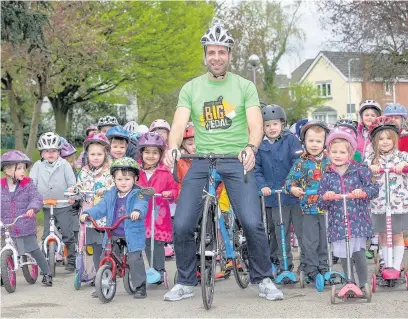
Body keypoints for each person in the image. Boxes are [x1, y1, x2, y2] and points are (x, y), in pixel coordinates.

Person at [163, 23, 283, 302]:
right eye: (211, 52)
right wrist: (172, 147)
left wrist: (251, 148)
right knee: (181, 224)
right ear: (205, 56)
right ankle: (185, 281)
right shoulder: (191, 88)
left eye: (221, 52)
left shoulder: (244, 86)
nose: (216, 57)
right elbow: (179, 123)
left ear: (229, 55)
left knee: (252, 222)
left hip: (236, 159)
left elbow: (255, 124)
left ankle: (263, 277)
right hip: (203, 160)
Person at [317, 127, 379, 293]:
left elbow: (373, 189)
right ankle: (348, 282)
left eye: (342, 152)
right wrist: (326, 196)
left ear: (350, 154)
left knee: (358, 253)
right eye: (334, 151)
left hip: (357, 220)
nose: (337, 155)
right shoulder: (327, 175)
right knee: (343, 255)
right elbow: (320, 201)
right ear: (328, 153)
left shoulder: (360, 170)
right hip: (338, 222)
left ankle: (363, 284)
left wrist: (362, 192)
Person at [80, 157, 150, 299]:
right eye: (119, 179)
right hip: (113, 232)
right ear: (114, 180)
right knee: (105, 256)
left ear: (135, 179)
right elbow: (101, 207)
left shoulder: (139, 193)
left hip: (132, 233)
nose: (123, 183)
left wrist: (137, 212)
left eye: (127, 179)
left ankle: (140, 286)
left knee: (134, 259)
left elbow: (142, 204)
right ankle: (103, 282)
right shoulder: (111, 194)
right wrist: (88, 213)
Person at [255, 104, 304, 274]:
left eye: (275, 124)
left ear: (282, 124)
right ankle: (284, 264)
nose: (271, 128)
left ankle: (305, 264)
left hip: (292, 196)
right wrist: (263, 186)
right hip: (273, 198)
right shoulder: (259, 145)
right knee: (278, 231)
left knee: (300, 230)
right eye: (267, 125)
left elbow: (297, 164)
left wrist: (291, 184)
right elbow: (257, 169)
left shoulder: (291, 140)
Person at [285, 121, 331, 282]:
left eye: (318, 141)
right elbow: (289, 182)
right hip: (309, 209)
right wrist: (293, 189)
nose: (314, 144)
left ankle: (324, 267)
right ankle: (311, 268)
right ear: (304, 141)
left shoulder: (330, 161)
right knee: (311, 241)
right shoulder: (301, 162)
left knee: (324, 241)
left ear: (325, 142)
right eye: (311, 141)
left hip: (328, 209)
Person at [1, 150, 53, 286]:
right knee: (4, 251)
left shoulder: (27, 185)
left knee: (34, 250)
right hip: (7, 227)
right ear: (7, 170)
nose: (23, 171)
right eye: (19, 168)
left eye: (24, 168)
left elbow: (36, 197)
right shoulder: (1, 187)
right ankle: (4, 273)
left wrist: (32, 208)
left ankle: (47, 273)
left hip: (24, 225)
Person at [365, 116, 408, 274]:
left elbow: (407, 163)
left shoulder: (402, 156)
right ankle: (386, 265)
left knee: (397, 235)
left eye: (388, 138)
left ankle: (396, 267)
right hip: (379, 204)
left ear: (395, 139)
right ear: (375, 141)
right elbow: (364, 173)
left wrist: (403, 165)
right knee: (383, 234)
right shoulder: (371, 159)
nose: (384, 141)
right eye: (381, 138)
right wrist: (372, 170)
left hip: (397, 204)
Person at [29, 132, 77, 271]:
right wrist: (33, 197)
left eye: (54, 150)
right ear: (41, 153)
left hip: (63, 204)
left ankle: (72, 261)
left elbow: (71, 183)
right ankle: (45, 261)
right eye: (46, 151)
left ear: (59, 152)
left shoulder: (64, 165)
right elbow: (32, 184)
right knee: (46, 234)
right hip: (45, 204)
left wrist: (71, 194)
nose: (50, 153)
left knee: (68, 233)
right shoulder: (37, 166)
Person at [74, 133, 114, 297]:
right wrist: (74, 192)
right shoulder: (82, 172)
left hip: (105, 217)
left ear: (105, 154)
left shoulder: (110, 172)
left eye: (99, 154)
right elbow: (77, 188)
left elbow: (115, 187)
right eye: (92, 154)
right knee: (95, 248)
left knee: (107, 246)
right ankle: (99, 274)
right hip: (89, 218)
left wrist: (107, 190)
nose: (96, 157)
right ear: (87, 155)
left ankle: (107, 274)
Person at [136, 132, 178, 283]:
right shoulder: (136, 172)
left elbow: (175, 190)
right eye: (147, 152)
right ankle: (147, 269)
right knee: (145, 242)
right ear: (141, 153)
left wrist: (169, 193)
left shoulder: (165, 172)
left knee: (157, 243)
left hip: (158, 214)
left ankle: (159, 269)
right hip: (141, 214)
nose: (151, 156)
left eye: (155, 152)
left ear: (161, 154)